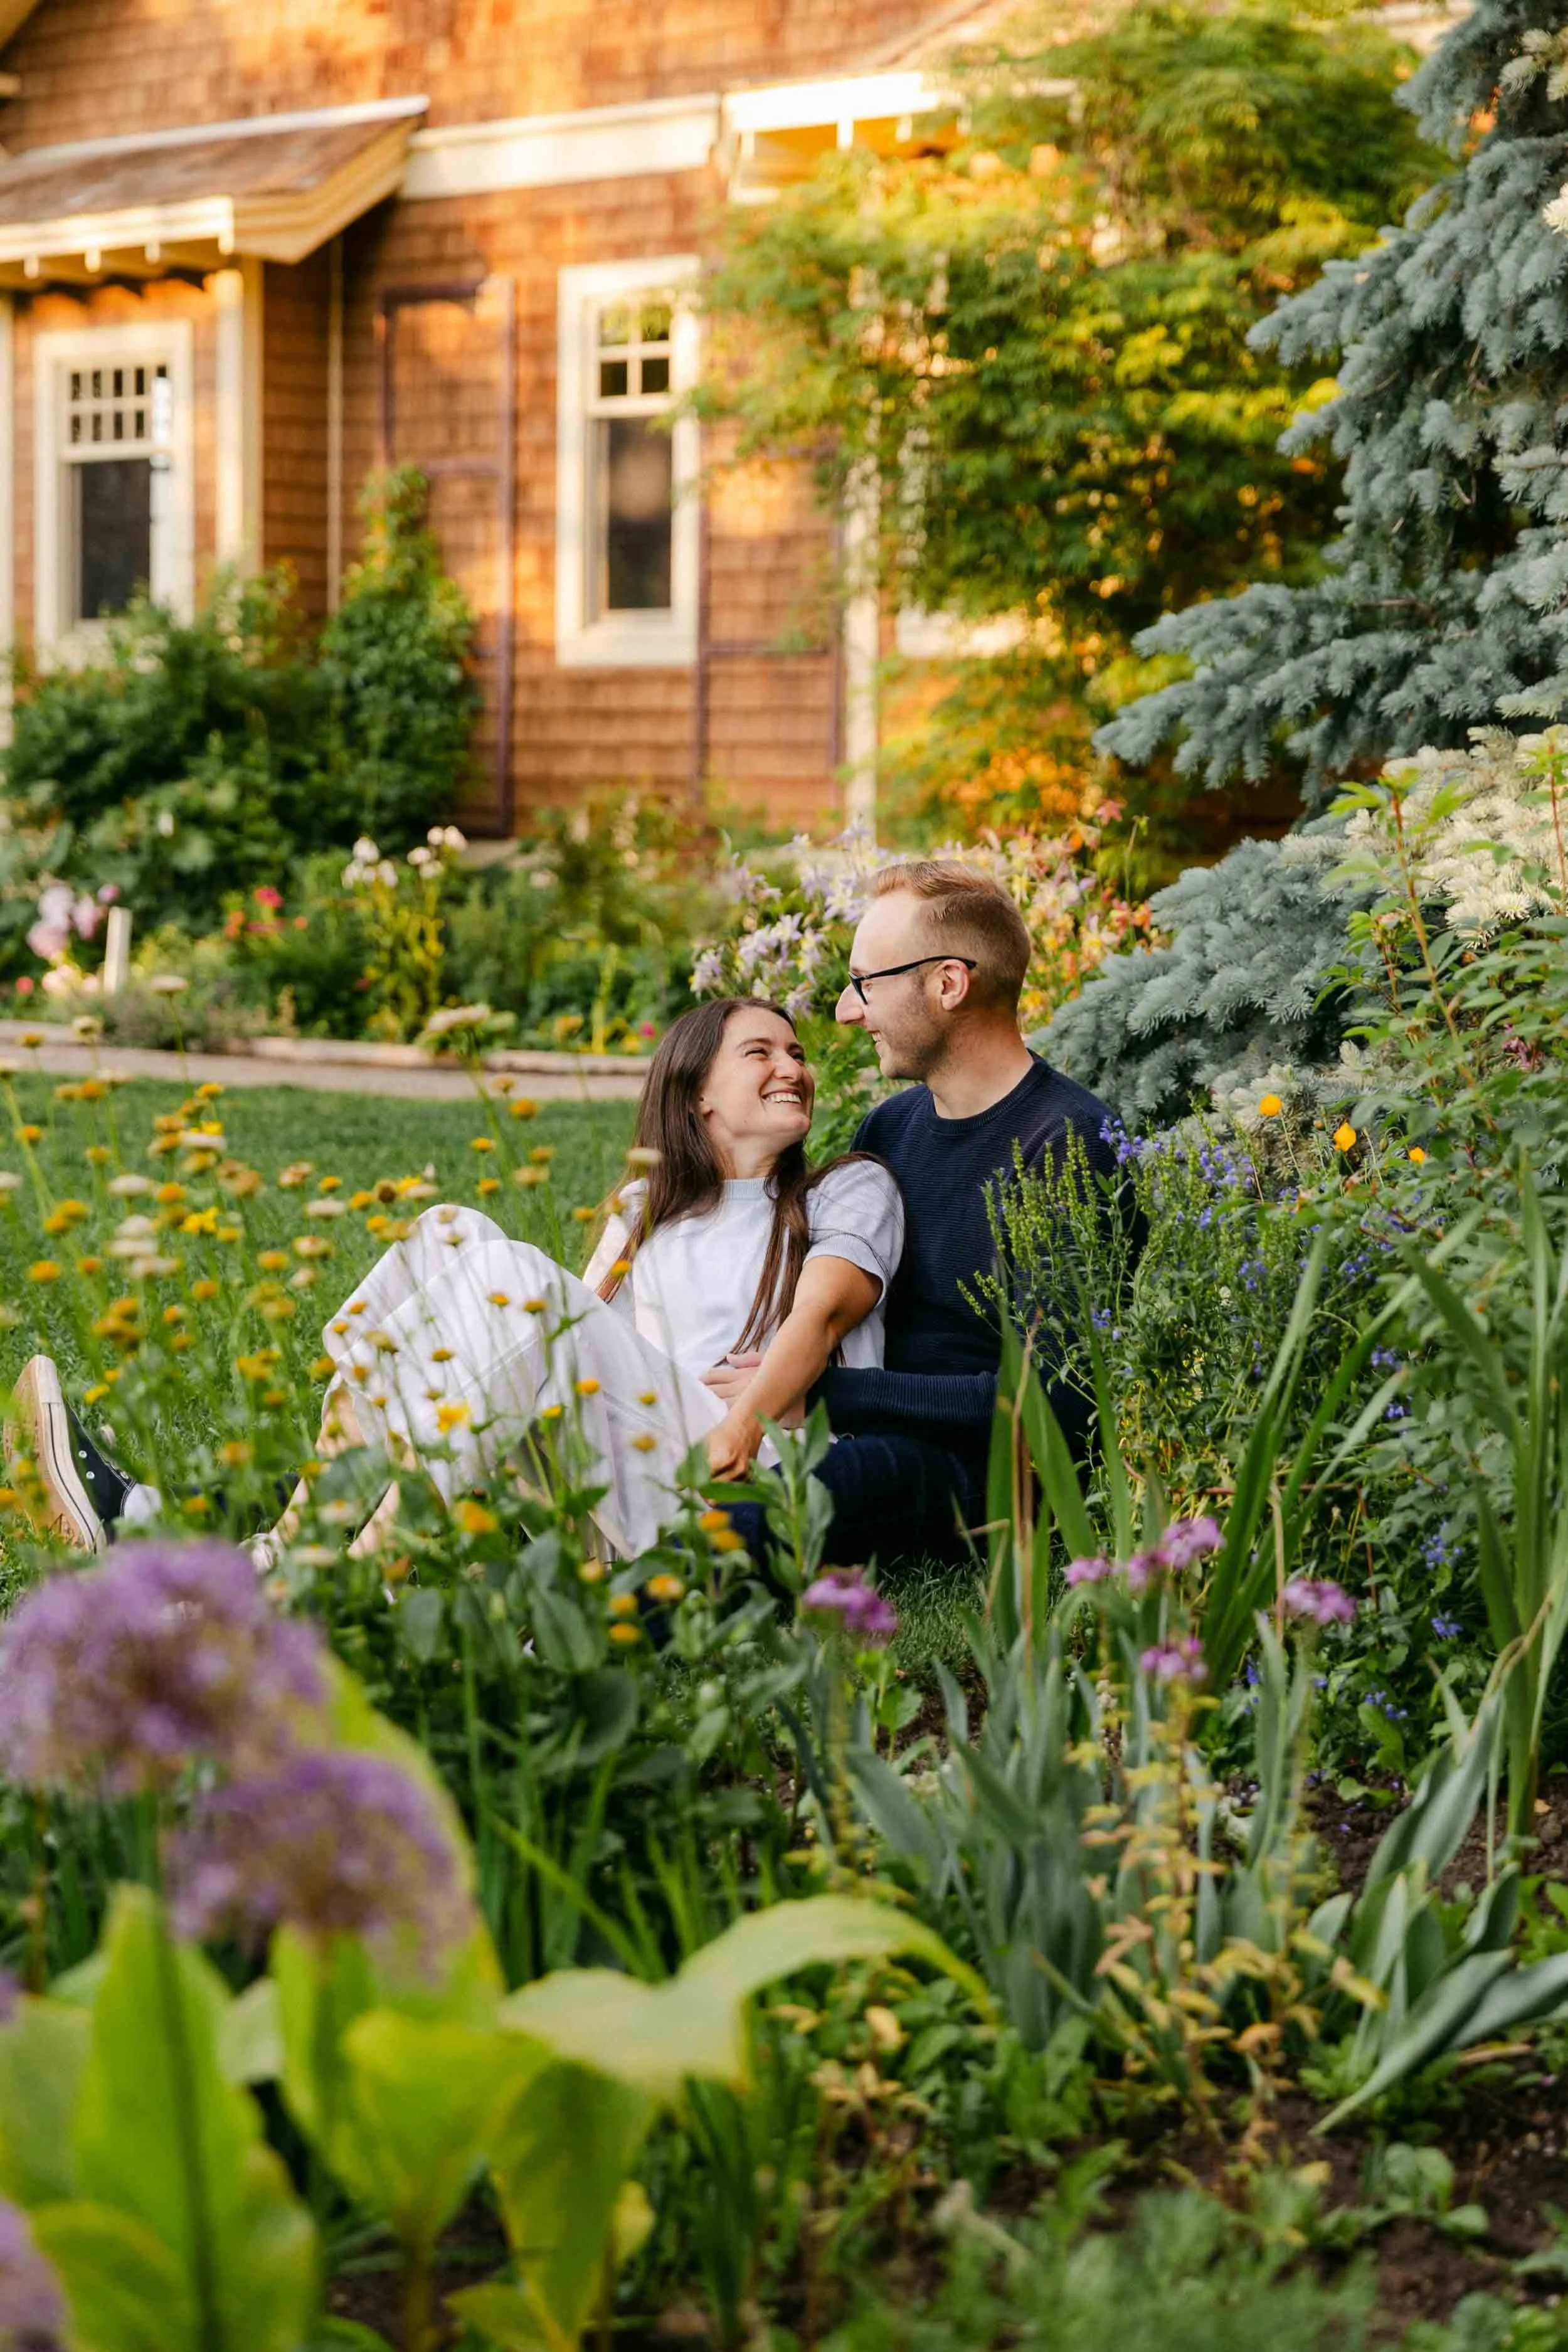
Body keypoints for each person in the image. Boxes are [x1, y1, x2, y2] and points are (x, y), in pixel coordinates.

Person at [5, 998, 903, 1564]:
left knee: (508, 1274)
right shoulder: (646, 1206)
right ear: (698, 1090)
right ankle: (288, 1543)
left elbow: (822, 1315)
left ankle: (285, 1568)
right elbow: (572, 1337)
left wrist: (744, 1418)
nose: (794, 1066)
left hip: (740, 1471)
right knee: (452, 1235)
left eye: (796, 1053)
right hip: (620, 1455)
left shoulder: (847, 1185)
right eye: (761, 1051)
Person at [709, 859, 1126, 1571]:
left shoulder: (1065, 1145)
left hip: (974, 1476)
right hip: (856, 1433)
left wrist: (825, 1393)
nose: (847, 1010)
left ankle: (557, 1647)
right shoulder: (890, 1131)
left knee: (743, 1515)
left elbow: (1054, 1402)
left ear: (948, 984)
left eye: (866, 983)